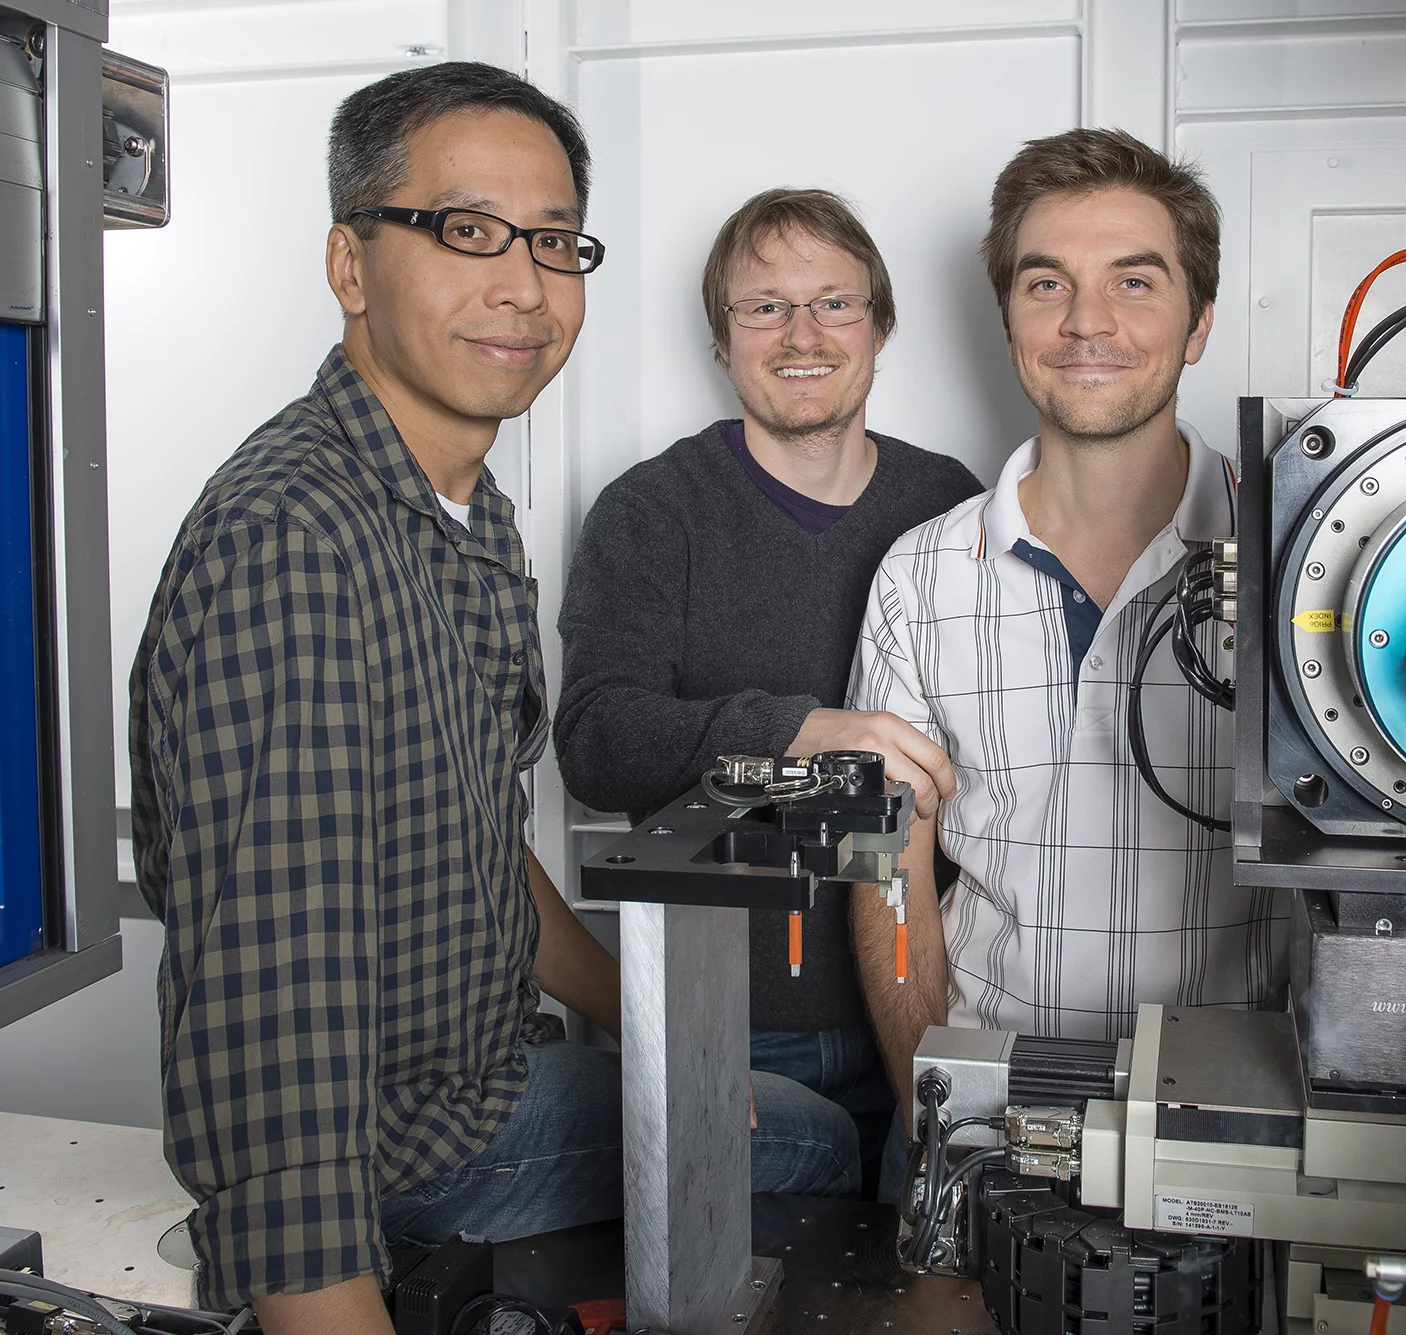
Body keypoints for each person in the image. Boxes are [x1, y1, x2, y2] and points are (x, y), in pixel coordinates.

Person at [129, 66, 842, 1332]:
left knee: (739, 1094)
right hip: (390, 1148)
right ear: (351, 264)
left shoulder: (470, 515)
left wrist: (639, 1027)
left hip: (484, 1067)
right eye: (465, 232)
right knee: (818, 1143)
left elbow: (476, 841)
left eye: (554, 241)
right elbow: (268, 1044)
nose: (522, 285)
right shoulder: (297, 538)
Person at [848, 129, 1289, 1108]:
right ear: (1007, 319)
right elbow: (886, 872)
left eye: (1134, 283)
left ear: (1199, 320)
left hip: (1237, 1118)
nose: (1087, 322)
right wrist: (935, 1125)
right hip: (989, 1110)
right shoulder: (919, 576)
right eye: (1046, 284)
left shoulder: (1300, 563)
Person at [554, 189, 982, 1191]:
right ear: (721, 338)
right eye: (764, 308)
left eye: (834, 304)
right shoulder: (651, 514)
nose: (801, 335)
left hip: (930, 1007)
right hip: (733, 1031)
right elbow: (596, 741)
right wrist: (796, 731)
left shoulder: (949, 504)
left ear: (878, 328)